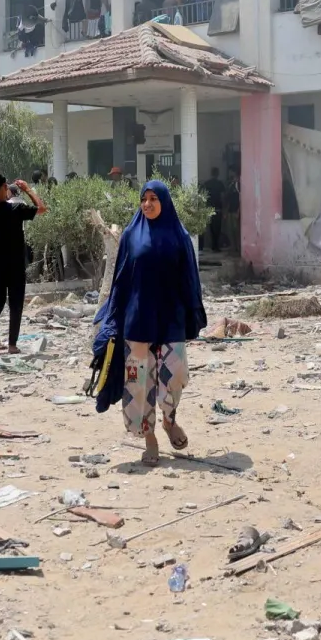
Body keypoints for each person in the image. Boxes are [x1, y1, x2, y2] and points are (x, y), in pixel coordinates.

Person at [93, 181, 207, 467]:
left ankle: (169, 421)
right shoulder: (131, 235)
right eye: (143, 199)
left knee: (175, 375)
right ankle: (150, 437)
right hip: (138, 319)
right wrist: (113, 318)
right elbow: (120, 280)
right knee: (139, 382)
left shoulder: (179, 235)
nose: (147, 204)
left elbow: (190, 278)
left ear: (164, 202)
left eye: (153, 198)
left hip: (171, 317)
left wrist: (192, 314)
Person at [0, 174, 45, 356]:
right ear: (5, 187)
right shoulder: (16, 208)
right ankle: (12, 345)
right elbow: (41, 208)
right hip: (15, 265)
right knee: (16, 305)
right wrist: (27, 189)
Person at [201, 167, 226, 251]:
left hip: (209, 208)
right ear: (217, 174)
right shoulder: (220, 184)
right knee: (218, 227)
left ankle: (213, 245)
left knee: (211, 227)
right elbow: (222, 197)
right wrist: (224, 208)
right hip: (218, 208)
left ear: (211, 173)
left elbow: (204, 196)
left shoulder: (207, 183)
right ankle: (216, 246)